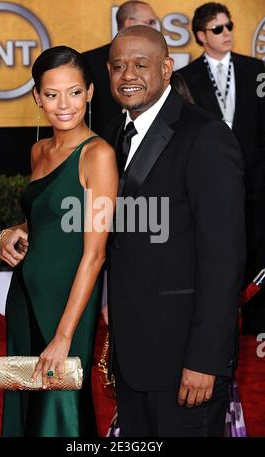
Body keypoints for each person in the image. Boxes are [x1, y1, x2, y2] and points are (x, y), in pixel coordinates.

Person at [105, 25, 246, 437]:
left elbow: (223, 260)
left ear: (167, 68)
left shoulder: (205, 136)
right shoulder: (115, 135)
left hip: (186, 360)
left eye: (140, 65)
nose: (127, 75)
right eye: (117, 66)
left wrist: (206, 360)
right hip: (132, 360)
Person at [0, 45, 118, 437]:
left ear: (90, 93)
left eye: (74, 92)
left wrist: (65, 335)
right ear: (37, 97)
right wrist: (13, 232)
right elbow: (48, 218)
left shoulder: (98, 155)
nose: (63, 104)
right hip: (25, 298)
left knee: (59, 414)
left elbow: (95, 254)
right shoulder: (38, 151)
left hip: (68, 307)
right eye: (51, 94)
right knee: (27, 408)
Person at [179, 2, 265, 335]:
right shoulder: (185, 78)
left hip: (254, 183)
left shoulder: (255, 70)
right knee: (216, 253)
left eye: (229, 26)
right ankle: (217, 321)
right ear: (201, 36)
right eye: (218, 29)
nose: (227, 33)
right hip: (210, 185)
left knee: (257, 248)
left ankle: (256, 324)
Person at [82, 1, 159, 135]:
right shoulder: (88, 61)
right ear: (129, 23)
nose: (156, 29)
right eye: (151, 22)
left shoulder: (157, 60)